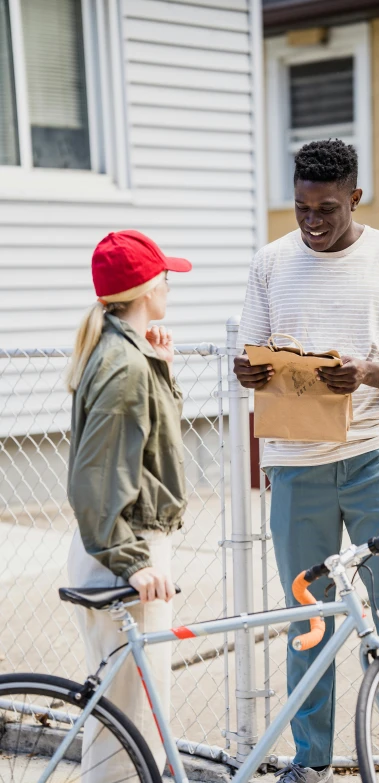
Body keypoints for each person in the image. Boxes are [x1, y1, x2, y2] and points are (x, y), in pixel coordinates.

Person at [234, 140, 379, 783]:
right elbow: (254, 357)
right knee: (307, 616)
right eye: (300, 208)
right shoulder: (269, 264)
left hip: (378, 452)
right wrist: (250, 368)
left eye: (326, 208)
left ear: (355, 196)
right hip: (295, 462)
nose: (312, 222)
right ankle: (311, 760)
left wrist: (370, 371)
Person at [66, 229, 192, 781]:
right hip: (124, 547)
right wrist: (134, 561)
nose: (170, 282)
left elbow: (144, 448)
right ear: (145, 287)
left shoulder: (128, 354)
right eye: (164, 275)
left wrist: (161, 368)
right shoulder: (124, 368)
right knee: (128, 725)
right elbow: (95, 482)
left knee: (131, 715)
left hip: (123, 543)